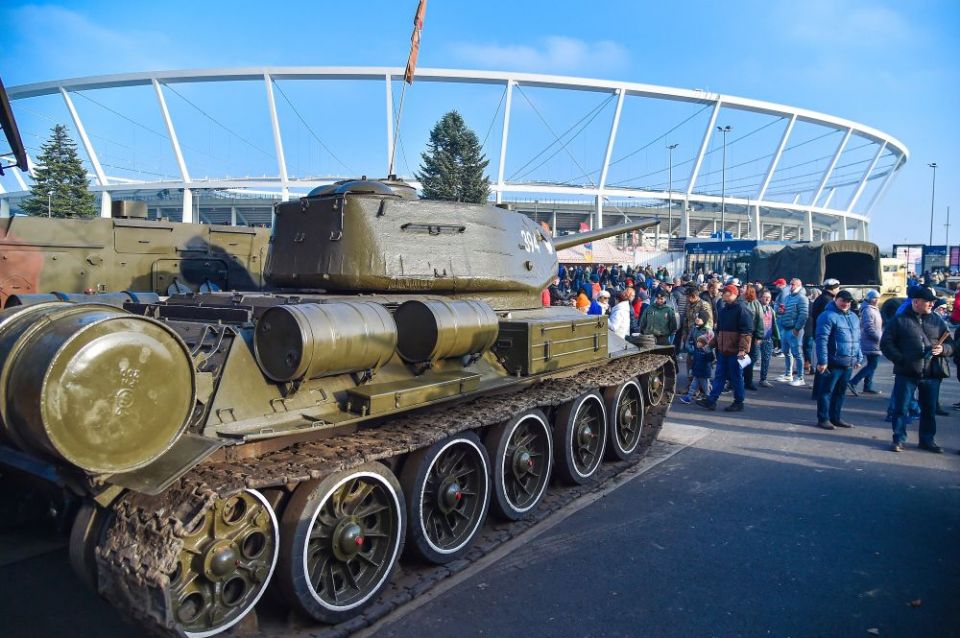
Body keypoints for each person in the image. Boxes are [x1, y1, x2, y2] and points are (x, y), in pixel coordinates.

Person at [880, 286, 954, 453]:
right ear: (916, 302)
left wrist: (943, 350)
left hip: (931, 373)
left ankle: (927, 440)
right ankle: (898, 439)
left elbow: (951, 344)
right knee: (901, 408)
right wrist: (901, 360)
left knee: (929, 409)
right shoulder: (899, 320)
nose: (932, 304)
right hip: (906, 372)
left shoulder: (937, 320)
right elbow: (886, 343)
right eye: (928, 301)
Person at [696, 284, 752, 412]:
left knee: (736, 376)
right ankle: (712, 401)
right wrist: (710, 344)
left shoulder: (741, 309)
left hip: (735, 352)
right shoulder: (723, 310)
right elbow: (719, 332)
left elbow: (746, 332)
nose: (722, 294)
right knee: (720, 376)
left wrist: (742, 350)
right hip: (723, 351)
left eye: (725, 292)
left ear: (733, 294)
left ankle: (738, 402)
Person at [814, 290, 863, 429]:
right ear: (836, 299)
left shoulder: (854, 317)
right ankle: (823, 418)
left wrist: (858, 357)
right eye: (843, 300)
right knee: (826, 391)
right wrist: (823, 361)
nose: (846, 303)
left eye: (848, 301)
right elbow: (821, 339)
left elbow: (856, 339)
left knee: (840, 392)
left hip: (848, 361)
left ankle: (836, 417)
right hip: (833, 361)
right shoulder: (827, 316)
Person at [809, 279, 840, 398]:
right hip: (825, 337)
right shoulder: (828, 301)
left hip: (818, 334)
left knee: (821, 365)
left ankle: (817, 392)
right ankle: (820, 392)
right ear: (834, 288)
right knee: (824, 364)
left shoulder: (820, 298)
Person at [848, 289, 883, 395]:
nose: (876, 300)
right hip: (871, 341)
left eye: (877, 298)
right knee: (873, 365)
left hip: (873, 340)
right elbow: (869, 327)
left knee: (872, 364)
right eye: (874, 298)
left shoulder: (872, 309)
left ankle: (867, 386)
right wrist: (879, 338)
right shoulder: (868, 310)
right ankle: (853, 382)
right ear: (869, 299)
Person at [777, 278, 809, 387]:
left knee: (797, 353)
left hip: (794, 330)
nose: (791, 286)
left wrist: (797, 328)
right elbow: (782, 311)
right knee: (786, 351)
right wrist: (781, 312)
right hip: (786, 328)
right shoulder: (788, 297)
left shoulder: (802, 298)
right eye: (790, 284)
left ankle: (800, 377)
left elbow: (804, 315)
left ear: (799, 285)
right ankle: (788, 374)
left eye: (793, 284)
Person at [679, 334, 715, 404]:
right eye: (697, 342)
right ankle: (688, 397)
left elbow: (711, 359)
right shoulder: (696, 351)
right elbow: (694, 362)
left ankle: (709, 399)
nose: (698, 343)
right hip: (696, 373)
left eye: (700, 342)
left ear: (704, 344)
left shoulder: (706, 352)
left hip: (704, 374)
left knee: (706, 388)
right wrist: (691, 369)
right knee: (692, 386)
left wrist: (709, 351)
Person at [742, 285, 764, 391]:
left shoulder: (756, 304)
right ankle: (736, 380)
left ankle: (748, 381)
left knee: (749, 359)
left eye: (743, 288)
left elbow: (760, 320)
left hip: (752, 334)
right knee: (740, 358)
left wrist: (759, 335)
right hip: (740, 334)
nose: (741, 289)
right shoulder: (738, 302)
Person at [757, 289, 780, 387]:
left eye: (769, 297)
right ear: (760, 297)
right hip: (757, 339)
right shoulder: (756, 308)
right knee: (750, 359)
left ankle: (763, 379)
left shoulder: (771, 309)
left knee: (766, 359)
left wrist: (776, 338)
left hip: (768, 338)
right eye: (765, 296)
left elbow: (774, 324)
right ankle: (743, 378)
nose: (767, 299)